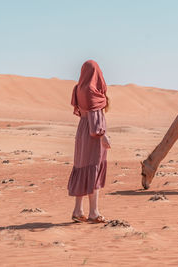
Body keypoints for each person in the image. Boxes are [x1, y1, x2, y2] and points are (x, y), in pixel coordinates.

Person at [68, 60, 111, 223]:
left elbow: (83, 113)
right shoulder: (92, 90)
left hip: (82, 132)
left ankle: (78, 210)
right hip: (93, 135)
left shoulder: (78, 88)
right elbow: (95, 116)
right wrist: (102, 135)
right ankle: (94, 212)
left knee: (81, 169)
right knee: (93, 170)